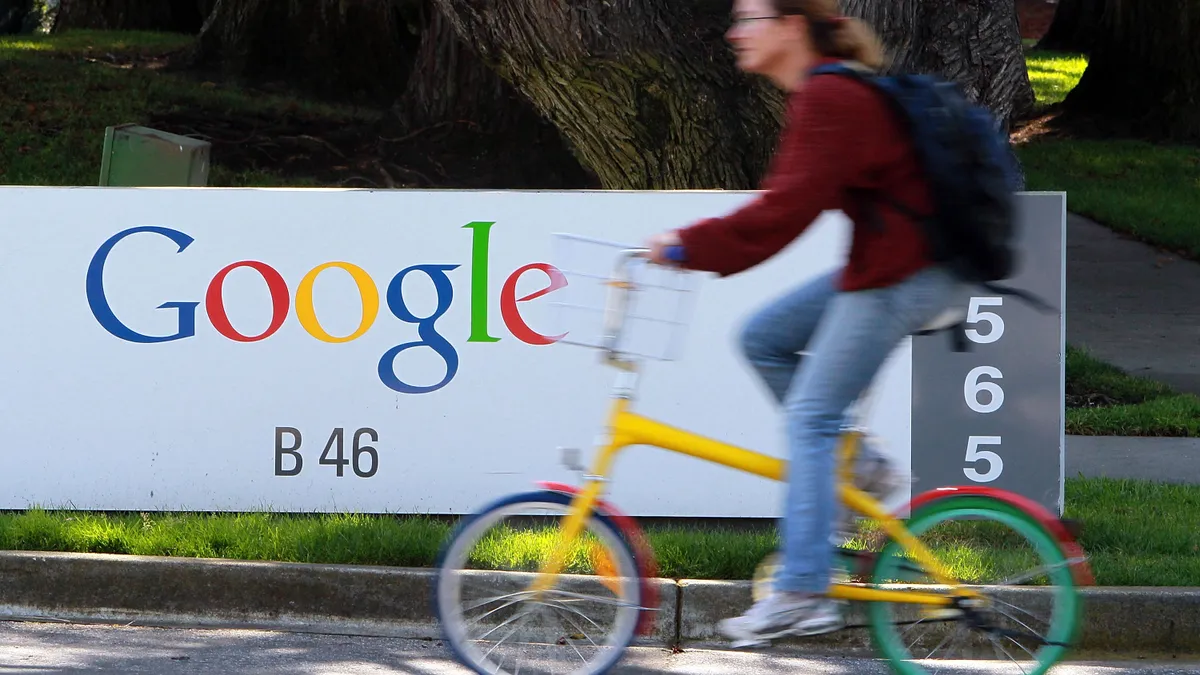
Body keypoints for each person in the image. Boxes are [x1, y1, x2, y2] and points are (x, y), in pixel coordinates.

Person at [643, 0, 961, 646]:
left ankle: (802, 592)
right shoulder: (821, 93)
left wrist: (685, 247)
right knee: (763, 337)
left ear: (791, 27)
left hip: (912, 271)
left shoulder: (830, 98)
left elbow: (782, 214)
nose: (735, 33)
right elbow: (788, 208)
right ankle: (863, 467)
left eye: (748, 19)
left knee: (811, 416)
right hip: (892, 262)